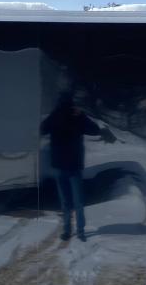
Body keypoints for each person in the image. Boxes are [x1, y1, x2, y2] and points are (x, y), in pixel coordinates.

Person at [41, 92, 115, 241]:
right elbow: (94, 130)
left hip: (60, 165)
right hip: (74, 166)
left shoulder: (55, 116)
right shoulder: (77, 116)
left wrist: (54, 114)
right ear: (71, 103)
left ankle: (67, 231)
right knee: (78, 201)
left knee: (66, 201)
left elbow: (42, 129)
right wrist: (82, 114)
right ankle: (80, 231)